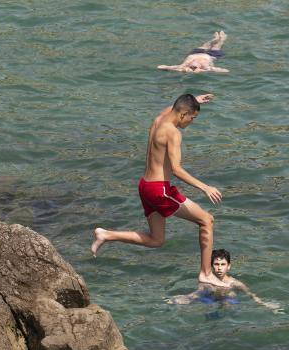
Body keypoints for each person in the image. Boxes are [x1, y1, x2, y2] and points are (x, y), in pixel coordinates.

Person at [91, 93, 225, 286]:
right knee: (206, 220)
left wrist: (193, 99)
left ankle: (105, 234)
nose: (191, 122)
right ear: (183, 114)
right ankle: (205, 273)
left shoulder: (159, 120)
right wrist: (205, 187)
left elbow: (173, 108)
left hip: (145, 186)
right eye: (192, 118)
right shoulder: (173, 132)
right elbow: (177, 170)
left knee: (156, 240)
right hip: (159, 190)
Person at [167, 249, 283, 312]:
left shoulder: (235, 283)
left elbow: (251, 295)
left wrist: (265, 304)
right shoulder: (207, 281)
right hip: (208, 299)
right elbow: (198, 293)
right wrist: (186, 298)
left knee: (228, 304)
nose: (219, 267)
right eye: (216, 264)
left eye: (223, 264)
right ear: (211, 266)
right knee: (197, 306)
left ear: (229, 266)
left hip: (228, 300)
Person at [158, 31, 229, 73]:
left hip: (195, 54)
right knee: (216, 46)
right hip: (209, 56)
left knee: (206, 45)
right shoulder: (205, 67)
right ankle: (222, 38)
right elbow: (223, 70)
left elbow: (174, 67)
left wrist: (165, 67)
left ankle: (215, 39)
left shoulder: (185, 65)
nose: (193, 67)